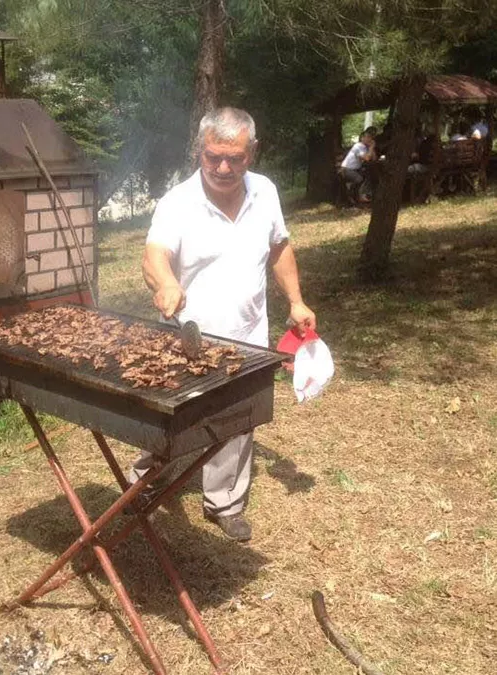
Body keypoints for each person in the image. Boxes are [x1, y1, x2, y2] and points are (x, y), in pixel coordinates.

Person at [129, 107, 316, 542]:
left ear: (252, 152)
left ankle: (225, 502)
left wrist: (296, 300)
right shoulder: (178, 202)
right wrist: (167, 284)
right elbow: (153, 256)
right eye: (213, 157)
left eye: (235, 157)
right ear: (200, 151)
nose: (224, 167)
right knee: (167, 418)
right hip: (186, 337)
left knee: (237, 421)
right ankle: (145, 482)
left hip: (247, 335)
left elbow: (280, 247)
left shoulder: (265, 192)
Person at [339, 127, 377, 203]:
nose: (369, 139)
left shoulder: (366, 148)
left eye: (370, 137)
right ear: (362, 138)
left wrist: (372, 148)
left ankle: (361, 195)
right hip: (346, 169)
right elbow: (366, 158)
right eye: (367, 137)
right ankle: (350, 195)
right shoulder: (358, 146)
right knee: (359, 179)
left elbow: (374, 158)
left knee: (369, 175)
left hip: (356, 169)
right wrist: (371, 147)